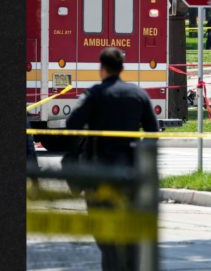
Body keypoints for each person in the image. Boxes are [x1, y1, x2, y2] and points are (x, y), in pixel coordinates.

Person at [66, 47, 159, 271]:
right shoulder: (139, 94)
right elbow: (153, 131)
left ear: (101, 68)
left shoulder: (95, 94)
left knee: (103, 231)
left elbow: (72, 124)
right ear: (123, 69)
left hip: (99, 173)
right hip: (131, 173)